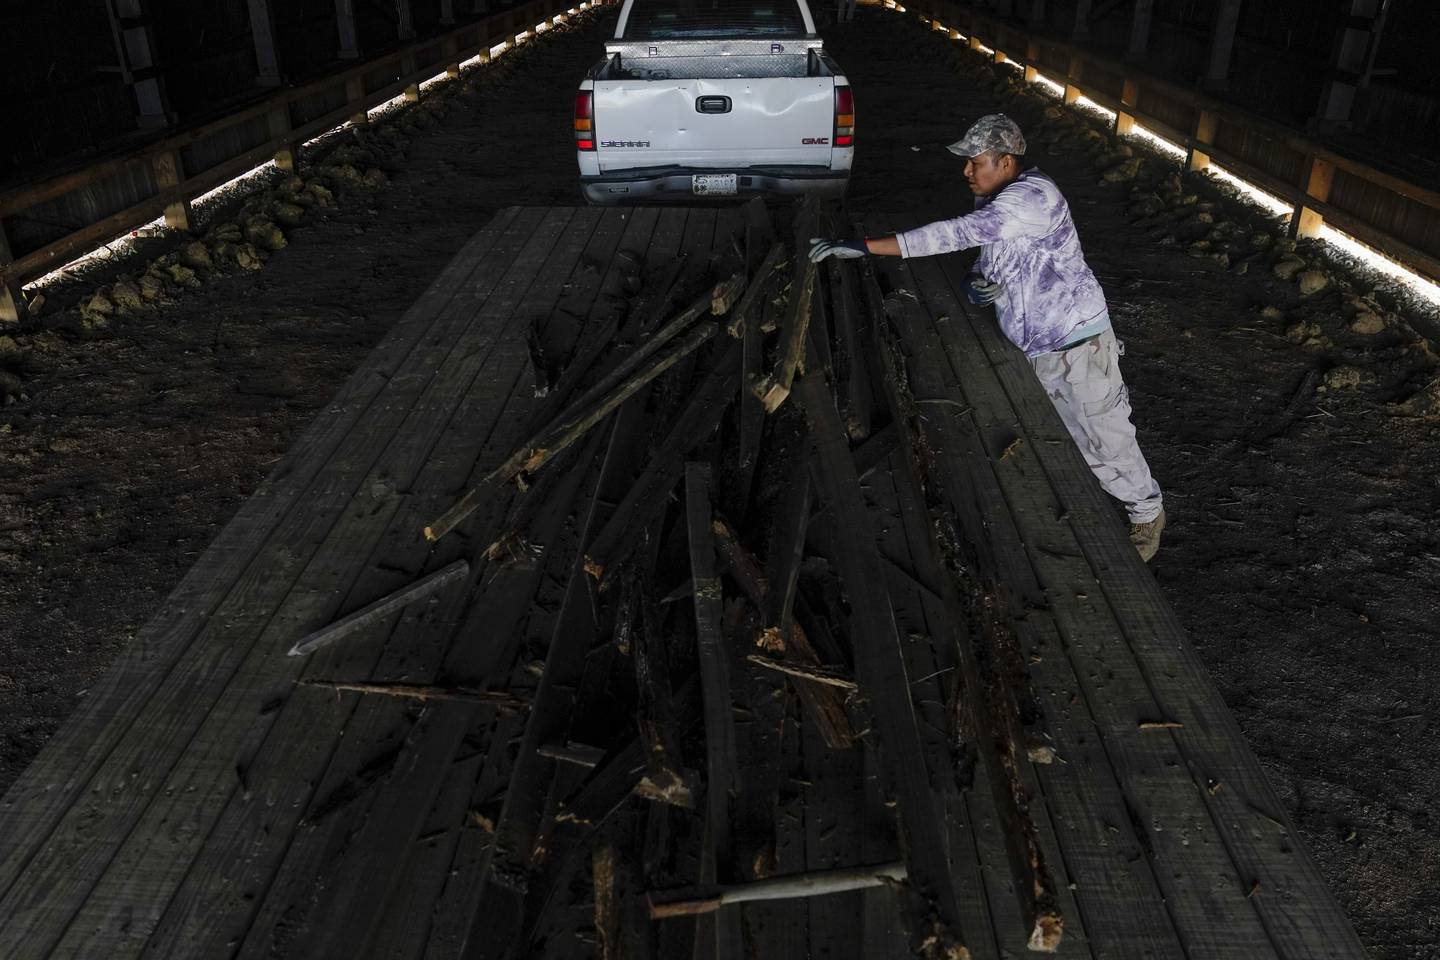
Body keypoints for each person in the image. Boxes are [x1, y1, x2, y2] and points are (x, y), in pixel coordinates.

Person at [809, 114, 1166, 561]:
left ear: (1006, 161)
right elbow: (989, 260)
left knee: (1107, 434)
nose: (966, 171)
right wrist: (977, 284)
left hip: (1078, 340)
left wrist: (866, 247)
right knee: (1075, 436)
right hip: (1040, 343)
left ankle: (1146, 513)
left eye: (974, 161)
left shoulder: (1033, 198)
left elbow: (954, 235)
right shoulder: (995, 204)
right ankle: (1102, 506)